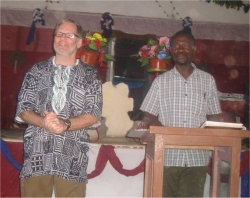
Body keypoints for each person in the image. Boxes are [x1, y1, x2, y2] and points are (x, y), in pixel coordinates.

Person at [15, 19, 103, 197]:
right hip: (37, 153)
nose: (63, 39)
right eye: (59, 34)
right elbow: (23, 109)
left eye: (69, 35)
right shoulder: (36, 71)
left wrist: (65, 124)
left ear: (79, 42)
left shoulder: (90, 75)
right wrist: (43, 122)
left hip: (73, 155)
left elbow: (93, 114)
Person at [140, 30, 222, 197]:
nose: (181, 49)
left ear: (194, 49)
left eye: (185, 46)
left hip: (197, 157)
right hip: (166, 157)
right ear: (170, 50)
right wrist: (168, 137)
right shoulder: (161, 82)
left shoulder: (207, 80)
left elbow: (214, 117)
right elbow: (148, 115)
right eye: (176, 46)